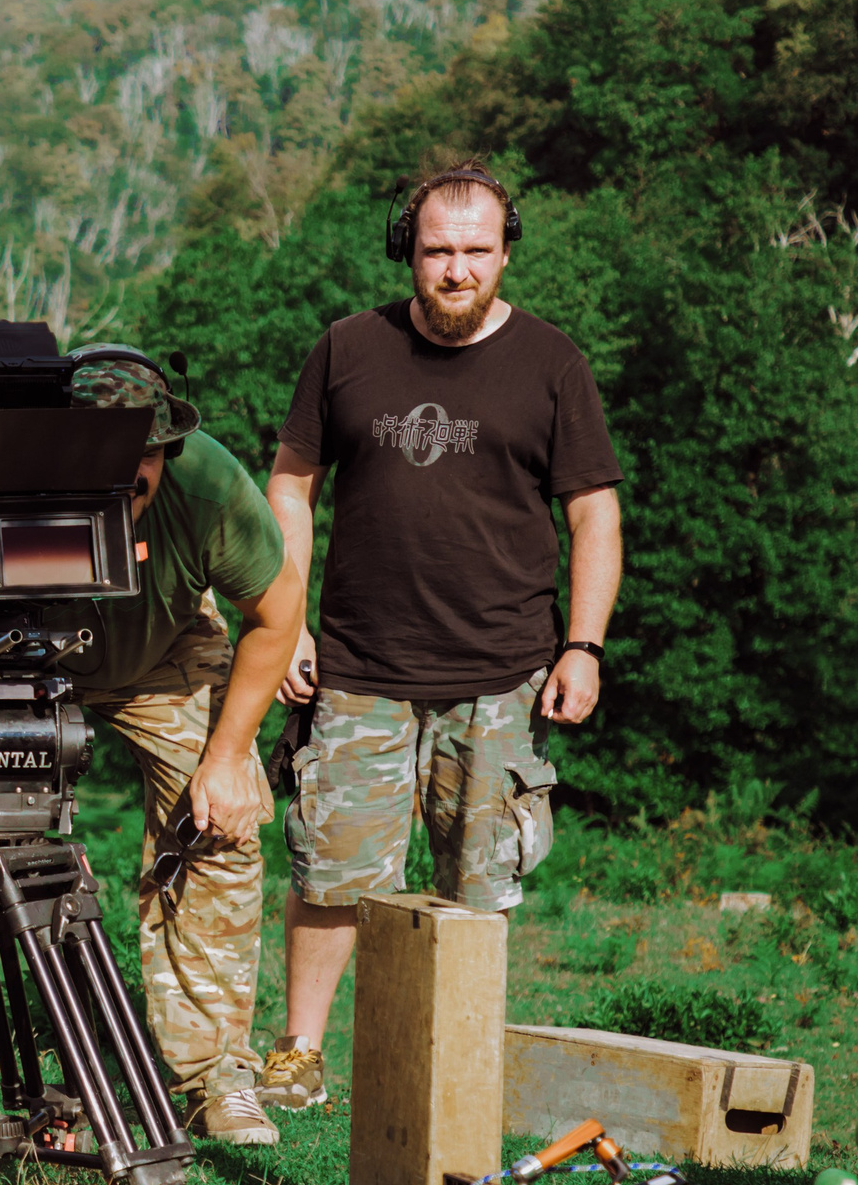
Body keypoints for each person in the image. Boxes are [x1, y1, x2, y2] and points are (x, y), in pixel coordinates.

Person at [0, 347, 308, 1146]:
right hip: (2, 660)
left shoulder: (210, 487)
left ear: (168, 449)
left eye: (142, 463)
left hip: (161, 657)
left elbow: (279, 606)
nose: (123, 482)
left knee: (222, 827)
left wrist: (229, 756)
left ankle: (216, 1074)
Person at [260, 160, 624, 1109]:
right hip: (359, 665)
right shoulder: (347, 349)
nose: (456, 270)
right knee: (333, 868)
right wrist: (286, 618)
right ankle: (298, 1050)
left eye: (475, 251)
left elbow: (594, 514)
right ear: (407, 253)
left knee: (480, 886)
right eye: (436, 251)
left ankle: (457, 1066)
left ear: (506, 252)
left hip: (501, 672)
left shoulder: (553, 364)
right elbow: (289, 484)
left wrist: (581, 645)